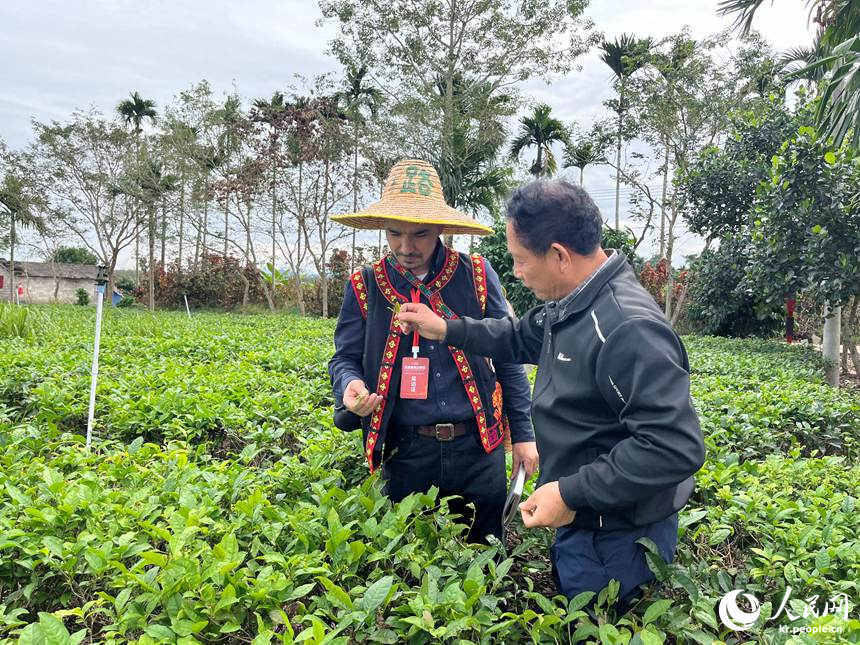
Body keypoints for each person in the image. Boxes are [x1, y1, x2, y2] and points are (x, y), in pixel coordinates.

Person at [397, 179, 705, 606]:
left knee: (600, 628)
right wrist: (445, 328)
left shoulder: (626, 328)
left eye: (522, 261)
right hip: (585, 518)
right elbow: (516, 338)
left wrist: (569, 493)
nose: (517, 273)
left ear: (559, 255)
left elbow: (674, 447)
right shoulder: (572, 302)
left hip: (616, 538)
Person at [328, 159, 538, 544]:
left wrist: (523, 434)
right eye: (394, 233)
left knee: (484, 555)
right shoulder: (366, 284)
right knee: (407, 567)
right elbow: (343, 357)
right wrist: (350, 384)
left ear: (440, 228)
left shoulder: (475, 274)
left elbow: (507, 352)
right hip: (405, 449)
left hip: (478, 447)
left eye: (420, 234)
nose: (405, 247)